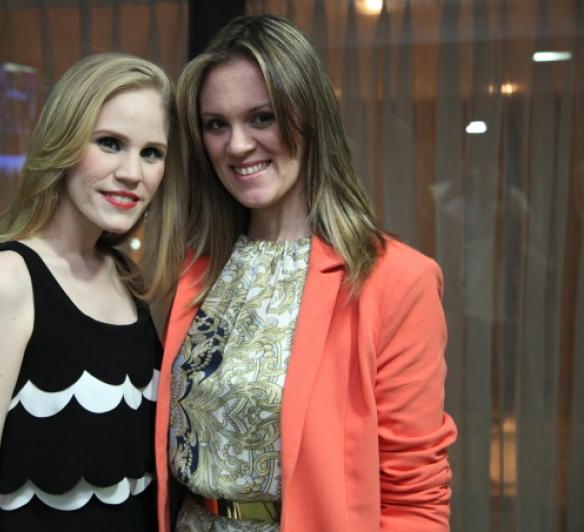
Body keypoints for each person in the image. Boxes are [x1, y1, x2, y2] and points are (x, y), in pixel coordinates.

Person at [143, 15, 457, 532]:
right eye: (216, 124)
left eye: (261, 117)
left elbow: (415, 499)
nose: (237, 145)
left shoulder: (395, 279)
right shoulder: (197, 267)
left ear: (309, 117)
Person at [0, 52, 177, 531]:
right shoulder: (6, 279)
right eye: (110, 143)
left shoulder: (126, 277)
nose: (133, 172)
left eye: (152, 152)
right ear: (63, 142)